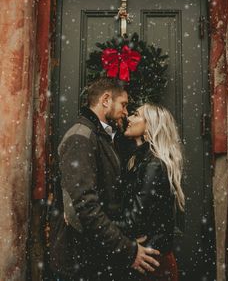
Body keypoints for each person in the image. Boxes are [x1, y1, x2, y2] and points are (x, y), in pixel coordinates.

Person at [51, 78, 160, 281]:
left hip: (95, 259)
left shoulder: (104, 136)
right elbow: (85, 208)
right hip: (78, 262)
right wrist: (127, 249)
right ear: (106, 100)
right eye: (124, 105)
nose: (126, 112)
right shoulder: (80, 137)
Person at [115, 103, 185, 281]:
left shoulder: (153, 165)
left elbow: (135, 220)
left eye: (136, 115)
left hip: (151, 262)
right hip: (147, 258)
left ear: (150, 126)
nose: (128, 118)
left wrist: (99, 227)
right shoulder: (138, 160)